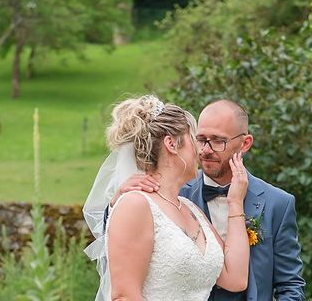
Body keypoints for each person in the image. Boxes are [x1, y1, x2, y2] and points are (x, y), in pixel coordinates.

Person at [116, 99, 306, 301]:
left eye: (217, 141)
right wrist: (116, 202)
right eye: (199, 139)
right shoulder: (177, 195)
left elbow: (286, 285)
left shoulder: (278, 203)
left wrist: (235, 203)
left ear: (245, 143)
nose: (204, 150)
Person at [83, 95, 251, 301]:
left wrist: (235, 203)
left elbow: (235, 278)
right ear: (171, 144)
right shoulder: (136, 204)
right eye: (194, 139)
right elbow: (124, 296)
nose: (201, 150)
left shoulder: (191, 210)